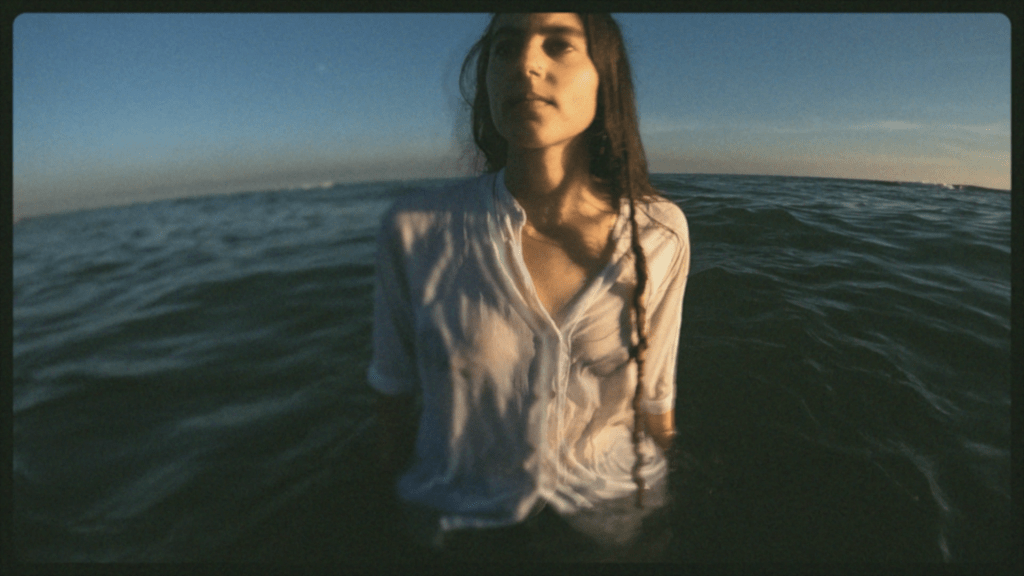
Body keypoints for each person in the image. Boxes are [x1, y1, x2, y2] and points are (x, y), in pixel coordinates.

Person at [367, 13, 690, 562]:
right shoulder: (416, 229)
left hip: (612, 510)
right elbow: (391, 399)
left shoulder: (660, 233)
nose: (525, 64)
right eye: (505, 48)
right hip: (456, 518)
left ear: (604, 77)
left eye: (558, 44)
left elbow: (655, 401)